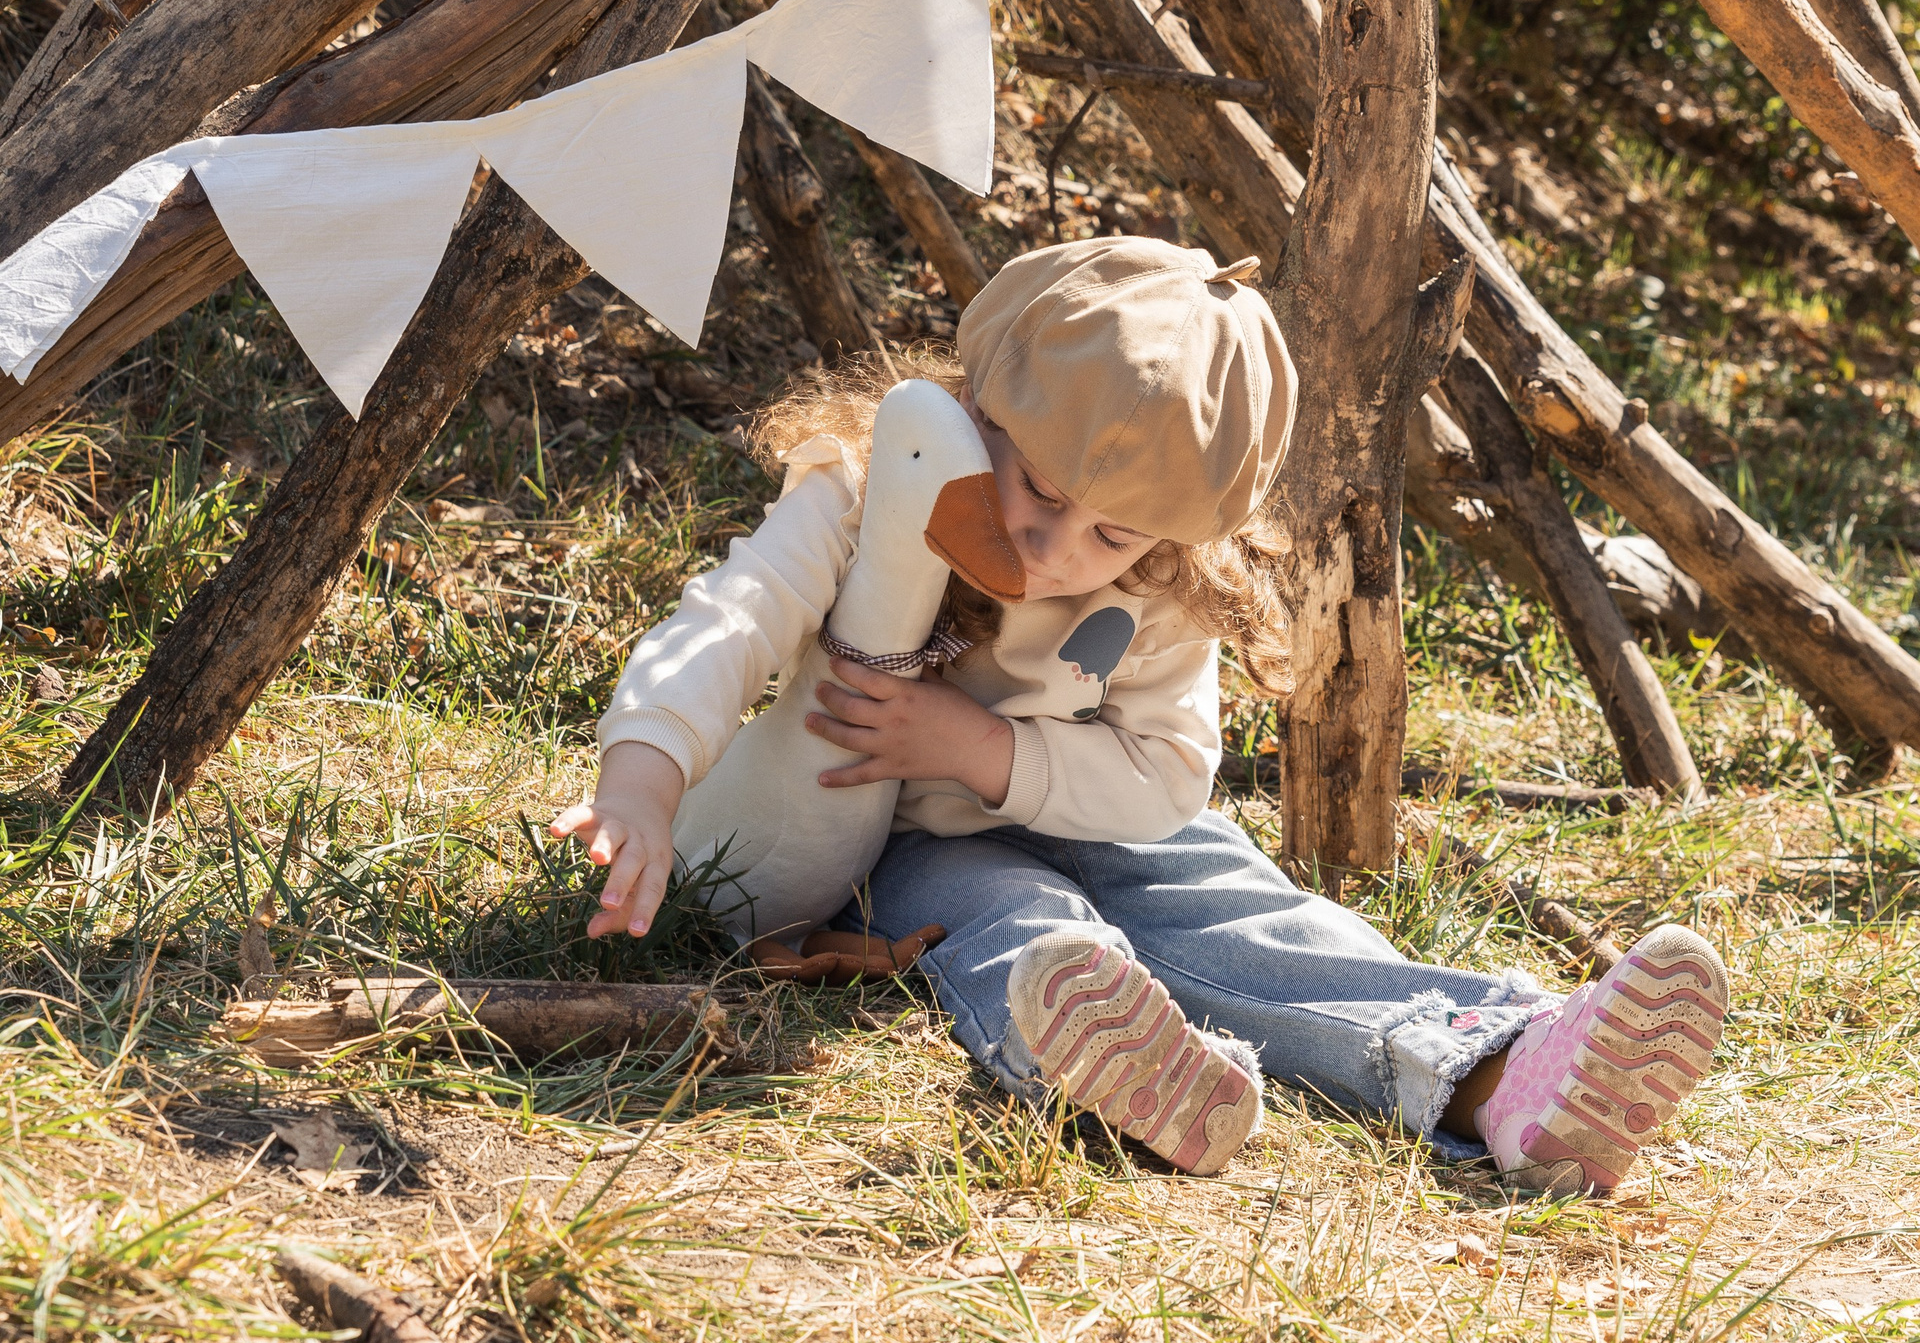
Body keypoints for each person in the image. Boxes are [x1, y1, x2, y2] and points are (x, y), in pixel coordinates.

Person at [554, 240, 1728, 1186]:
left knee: (1238, 906)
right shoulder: (867, 493)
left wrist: (982, 747)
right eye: (1038, 485)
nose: (1055, 543)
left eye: (1111, 532)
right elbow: (736, 616)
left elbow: (1165, 774)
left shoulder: (1163, 587)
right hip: (904, 843)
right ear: (977, 407)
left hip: (1097, 811)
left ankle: (1506, 1070)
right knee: (1017, 921)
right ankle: (1114, 1061)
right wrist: (644, 777)